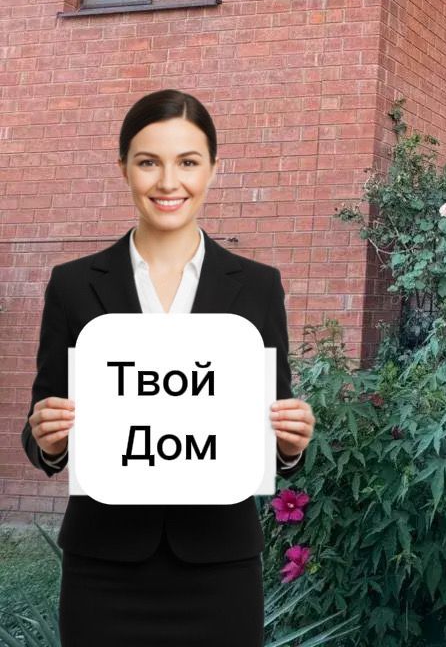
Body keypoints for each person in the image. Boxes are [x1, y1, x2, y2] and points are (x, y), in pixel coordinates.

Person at [20, 89, 316, 647]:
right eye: (148, 162)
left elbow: (271, 426)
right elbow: (41, 433)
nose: (168, 181)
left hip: (220, 569)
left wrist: (290, 442)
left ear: (213, 169)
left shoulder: (258, 287)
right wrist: (49, 438)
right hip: (103, 568)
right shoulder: (73, 285)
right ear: (124, 168)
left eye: (187, 162)